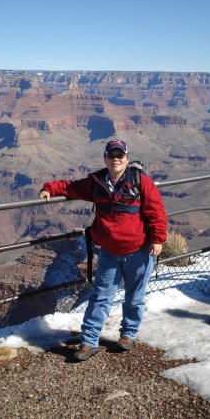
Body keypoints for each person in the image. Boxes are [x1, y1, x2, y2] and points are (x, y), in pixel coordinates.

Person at [39, 139, 167, 361]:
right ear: (105, 158)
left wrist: (158, 240)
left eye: (120, 155)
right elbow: (70, 188)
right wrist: (48, 188)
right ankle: (89, 341)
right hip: (108, 252)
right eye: (112, 155)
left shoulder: (141, 182)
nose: (116, 159)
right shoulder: (96, 182)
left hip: (138, 251)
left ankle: (128, 334)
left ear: (127, 158)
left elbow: (156, 212)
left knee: (135, 298)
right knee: (100, 296)